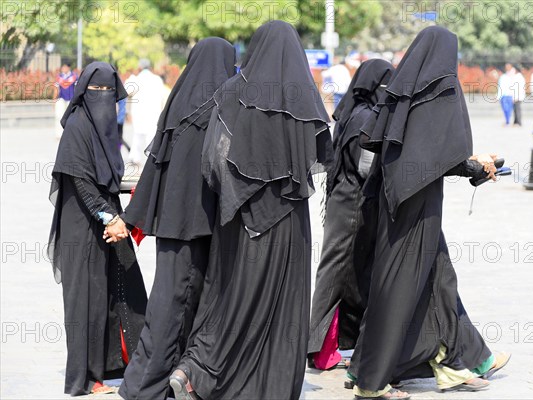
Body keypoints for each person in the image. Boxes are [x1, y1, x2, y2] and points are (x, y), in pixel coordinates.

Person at [168, 21, 332, 400]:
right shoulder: (304, 95)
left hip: (238, 217)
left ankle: (198, 370)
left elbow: (213, 159)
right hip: (288, 220)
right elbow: (321, 155)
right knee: (279, 304)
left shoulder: (231, 91)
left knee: (231, 295)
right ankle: (270, 384)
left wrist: (237, 193)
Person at [348, 27, 510, 399]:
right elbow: (443, 157)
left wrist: (472, 164)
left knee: (438, 279)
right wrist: (478, 167)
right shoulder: (443, 88)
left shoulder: (402, 89)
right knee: (400, 288)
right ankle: (371, 382)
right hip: (419, 205)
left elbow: (412, 149)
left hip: (394, 199)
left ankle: (459, 360)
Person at [114, 38, 237, 400]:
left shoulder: (179, 106)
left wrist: (135, 216)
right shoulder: (219, 109)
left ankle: (154, 380)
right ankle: (147, 386)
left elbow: (154, 165)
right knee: (180, 306)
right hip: (199, 228)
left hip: (172, 226)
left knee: (167, 302)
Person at [47, 61, 147, 396]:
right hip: (82, 227)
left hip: (107, 220)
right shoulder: (77, 127)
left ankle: (110, 367)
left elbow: (108, 177)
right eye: (96, 91)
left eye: (108, 91)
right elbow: (83, 182)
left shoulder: (107, 132)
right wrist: (111, 218)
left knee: (116, 291)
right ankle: (83, 378)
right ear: (84, 93)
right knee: (86, 299)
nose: (102, 97)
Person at [308, 59, 394, 370]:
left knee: (346, 273)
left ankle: (334, 346)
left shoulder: (351, 112)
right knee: (338, 273)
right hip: (354, 205)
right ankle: (317, 348)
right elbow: (365, 168)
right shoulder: (366, 118)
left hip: (342, 201)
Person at [126, 59, 167, 166]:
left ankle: (135, 158)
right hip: (153, 111)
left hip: (139, 111)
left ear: (140, 67)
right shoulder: (157, 79)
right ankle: (152, 157)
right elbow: (163, 96)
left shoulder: (137, 79)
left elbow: (127, 91)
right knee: (151, 135)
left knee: (137, 134)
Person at [54, 63, 78, 139]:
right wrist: (54, 100)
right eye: (62, 67)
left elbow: (77, 88)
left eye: (64, 67)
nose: (63, 68)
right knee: (59, 116)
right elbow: (56, 89)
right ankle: (59, 134)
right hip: (61, 99)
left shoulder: (75, 76)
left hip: (71, 99)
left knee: (71, 117)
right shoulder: (59, 77)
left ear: (68, 67)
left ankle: (71, 135)